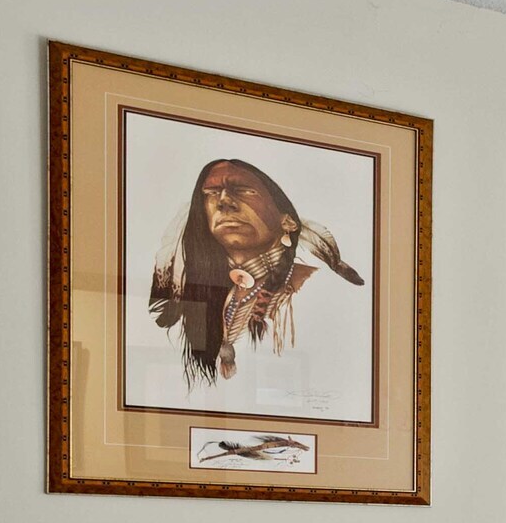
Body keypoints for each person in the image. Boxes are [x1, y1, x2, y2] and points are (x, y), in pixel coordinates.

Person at [148, 157, 364, 386]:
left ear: (288, 222)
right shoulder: (204, 298)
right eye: (211, 193)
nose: (224, 201)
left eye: (243, 190)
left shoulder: (316, 290)